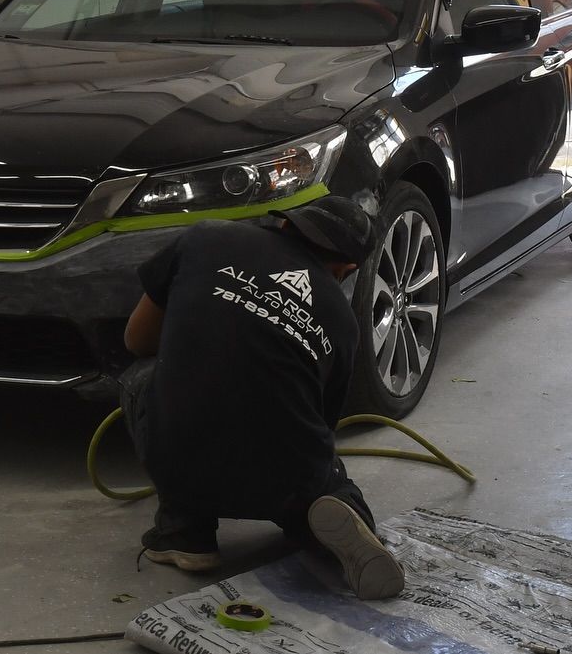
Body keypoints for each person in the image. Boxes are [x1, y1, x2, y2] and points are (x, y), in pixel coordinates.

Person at [120, 195, 405, 601]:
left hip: (188, 455)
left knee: (142, 377)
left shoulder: (207, 238)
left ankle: (185, 531)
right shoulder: (344, 325)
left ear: (286, 225)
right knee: (315, 469)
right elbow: (320, 427)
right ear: (346, 269)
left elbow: (136, 340)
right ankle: (340, 517)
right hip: (282, 477)